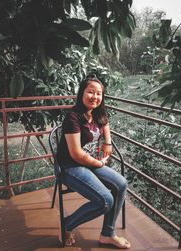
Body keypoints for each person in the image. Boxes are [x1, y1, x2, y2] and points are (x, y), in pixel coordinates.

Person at [57, 74, 130, 249]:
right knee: (105, 200)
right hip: (71, 166)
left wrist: (108, 142)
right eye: (90, 92)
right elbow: (75, 154)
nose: (95, 97)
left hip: (89, 162)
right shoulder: (73, 117)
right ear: (81, 93)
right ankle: (66, 225)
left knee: (121, 184)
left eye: (98, 94)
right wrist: (98, 163)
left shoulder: (97, 113)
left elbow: (105, 124)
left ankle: (107, 234)